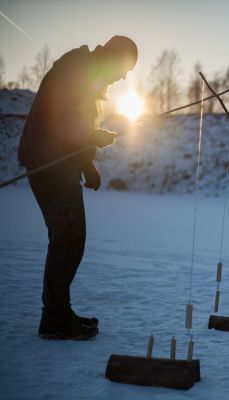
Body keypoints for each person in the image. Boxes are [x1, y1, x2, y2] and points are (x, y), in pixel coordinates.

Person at [18, 36, 138, 340]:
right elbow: (57, 120)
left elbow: (75, 127)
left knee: (72, 238)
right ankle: (54, 319)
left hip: (61, 165)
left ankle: (59, 311)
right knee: (67, 239)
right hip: (49, 165)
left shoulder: (87, 75)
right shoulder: (76, 70)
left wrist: (88, 165)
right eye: (124, 69)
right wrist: (93, 136)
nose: (123, 77)